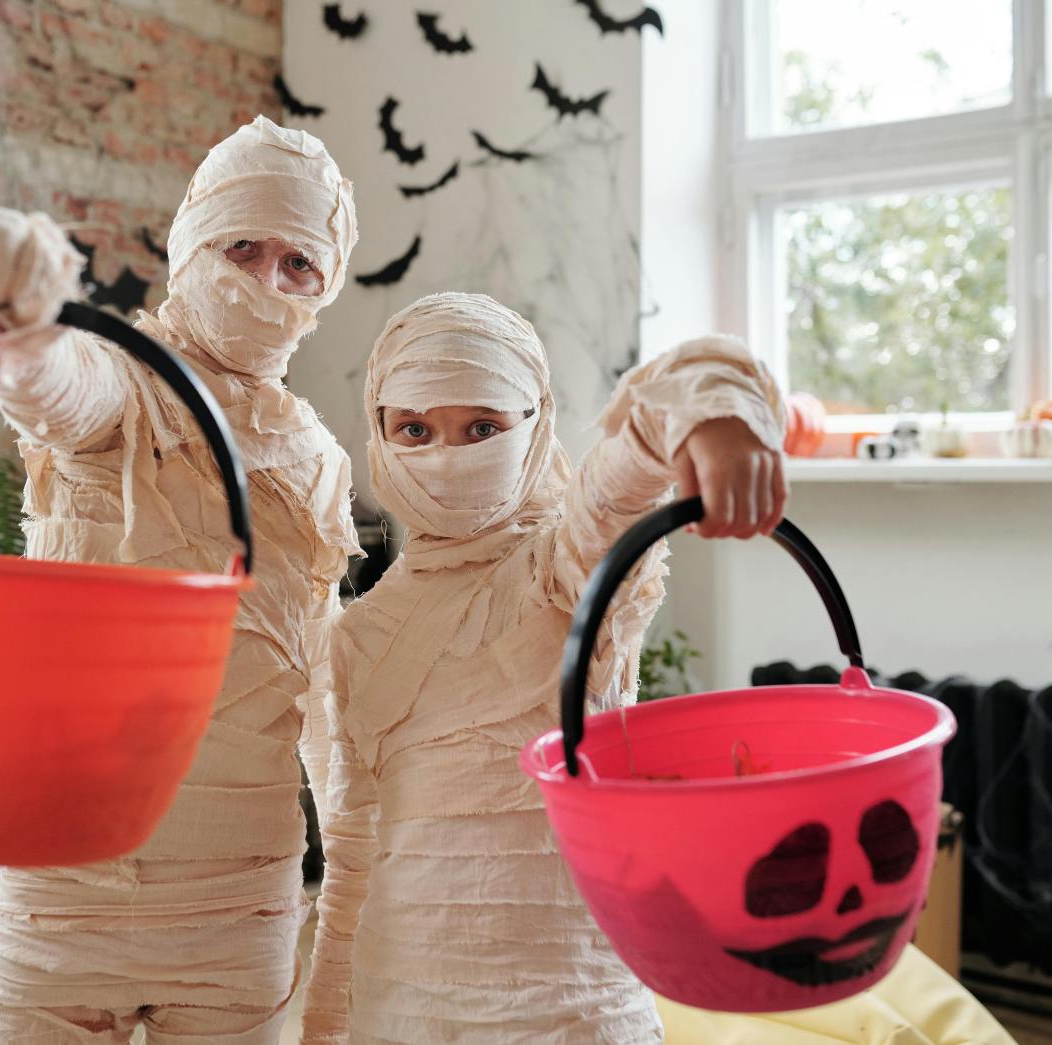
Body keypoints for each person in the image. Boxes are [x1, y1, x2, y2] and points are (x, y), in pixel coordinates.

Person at [0, 115, 358, 1044]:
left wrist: (353, 851)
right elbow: (58, 389)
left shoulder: (316, 455)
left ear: (328, 283)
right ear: (190, 246)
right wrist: (17, 324)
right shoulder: (128, 384)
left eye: (298, 264)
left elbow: (315, 677)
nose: (266, 282)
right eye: (242, 247)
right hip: (63, 898)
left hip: (246, 912)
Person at [302, 292, 785, 1043]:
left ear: (534, 426)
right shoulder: (360, 631)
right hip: (400, 1008)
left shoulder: (567, 568)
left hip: (573, 1010)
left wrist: (713, 408)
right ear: (381, 433)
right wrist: (326, 1026)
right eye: (416, 429)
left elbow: (628, 469)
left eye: (483, 427)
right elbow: (353, 856)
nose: (447, 453)